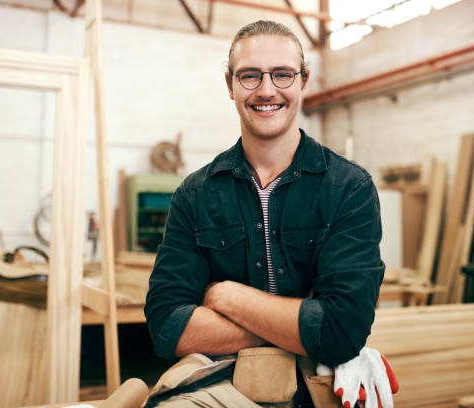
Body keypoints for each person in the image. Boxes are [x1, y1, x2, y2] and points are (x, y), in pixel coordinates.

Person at [145, 20, 391, 408]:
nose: (266, 90)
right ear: (229, 85)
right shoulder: (195, 194)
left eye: (282, 74)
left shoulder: (348, 188)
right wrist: (300, 324)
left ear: (303, 81)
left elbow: (342, 331)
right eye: (249, 76)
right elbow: (167, 327)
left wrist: (226, 297)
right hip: (219, 381)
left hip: (317, 384)